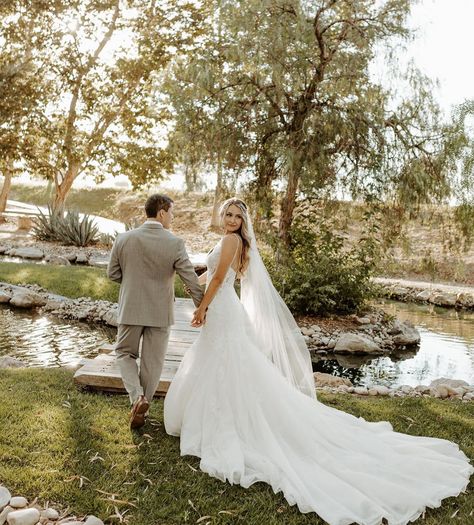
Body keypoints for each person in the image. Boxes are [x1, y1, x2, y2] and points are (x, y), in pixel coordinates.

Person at [164, 197, 472, 525]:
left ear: (243, 222)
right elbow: (214, 277)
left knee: (226, 366)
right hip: (226, 309)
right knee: (227, 366)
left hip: (223, 311)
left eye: (237, 216)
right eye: (227, 213)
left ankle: (229, 423)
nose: (230, 219)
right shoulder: (233, 241)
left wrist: (200, 308)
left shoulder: (229, 241)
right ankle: (229, 416)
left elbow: (217, 279)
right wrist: (189, 286)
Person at [107, 193, 203, 429]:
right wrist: (202, 305)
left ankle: (136, 398)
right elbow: (189, 279)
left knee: (124, 353)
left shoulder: (124, 238)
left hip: (131, 307)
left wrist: (133, 283)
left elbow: (113, 273)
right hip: (161, 312)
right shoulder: (175, 243)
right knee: (153, 363)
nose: (172, 217)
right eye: (171, 213)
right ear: (161, 213)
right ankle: (144, 405)